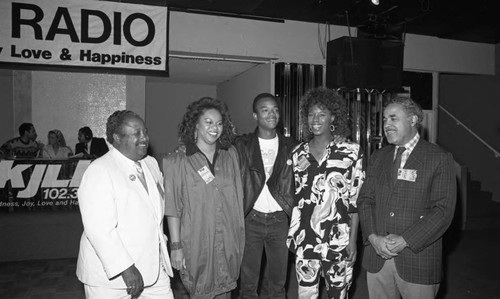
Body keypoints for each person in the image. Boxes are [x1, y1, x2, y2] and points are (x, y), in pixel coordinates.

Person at [358, 96, 456, 299]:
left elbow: (443, 210)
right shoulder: (378, 157)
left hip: (417, 259)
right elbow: (365, 199)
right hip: (377, 257)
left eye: (393, 118)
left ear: (413, 120)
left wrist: (406, 240)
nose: (387, 125)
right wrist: (372, 237)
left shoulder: (438, 158)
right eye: (384, 119)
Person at [76, 110, 174, 299]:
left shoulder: (151, 163)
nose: (144, 137)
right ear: (116, 138)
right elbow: (99, 230)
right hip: (111, 278)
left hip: (153, 269)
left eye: (145, 131)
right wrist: (126, 268)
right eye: (136, 133)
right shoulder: (100, 170)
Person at [287, 87, 365, 299]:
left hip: (338, 241)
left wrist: (353, 240)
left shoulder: (351, 152)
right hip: (305, 239)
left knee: (338, 294)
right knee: (306, 295)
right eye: (311, 114)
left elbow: (354, 201)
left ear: (333, 116)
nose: (315, 119)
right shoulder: (296, 153)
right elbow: (294, 195)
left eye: (322, 114)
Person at [163, 97, 245, 299]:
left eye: (218, 123)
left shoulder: (230, 155)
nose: (214, 128)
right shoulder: (177, 160)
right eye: (208, 122)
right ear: (196, 125)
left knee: (225, 292)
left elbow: (236, 201)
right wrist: (176, 247)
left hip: (228, 242)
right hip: (197, 244)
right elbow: (173, 208)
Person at [234, 93, 296, 299]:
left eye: (275, 109)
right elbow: (211, 147)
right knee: (248, 284)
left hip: (280, 221)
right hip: (251, 219)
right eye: (265, 109)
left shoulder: (292, 146)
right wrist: (186, 148)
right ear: (255, 115)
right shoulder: (242, 145)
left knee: (278, 284)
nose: (272, 114)